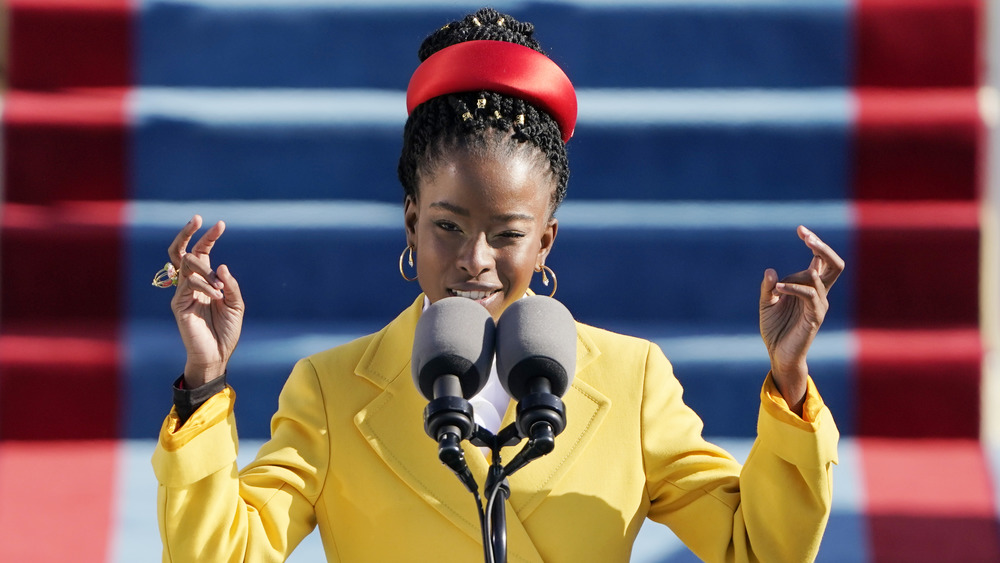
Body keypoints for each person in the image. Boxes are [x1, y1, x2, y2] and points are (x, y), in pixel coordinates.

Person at [152, 8, 843, 562]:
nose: (473, 258)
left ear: (545, 241)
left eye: (507, 233)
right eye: (448, 226)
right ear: (412, 222)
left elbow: (759, 547)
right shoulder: (331, 392)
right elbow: (220, 554)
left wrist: (788, 382)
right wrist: (205, 381)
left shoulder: (634, 382)